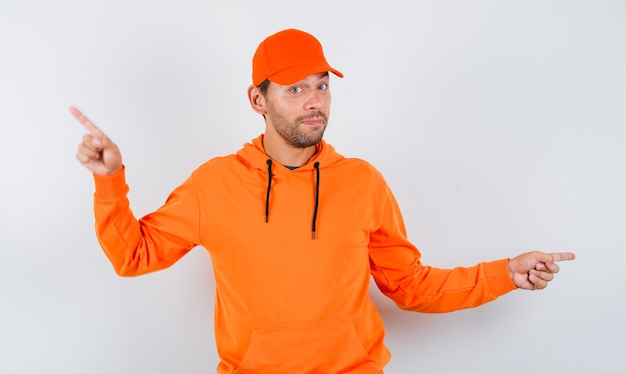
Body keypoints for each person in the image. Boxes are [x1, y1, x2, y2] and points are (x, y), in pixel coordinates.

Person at [71, 28, 575, 374]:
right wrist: (110, 180)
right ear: (257, 100)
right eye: (295, 89)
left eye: (322, 86)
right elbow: (132, 256)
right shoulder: (214, 184)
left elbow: (410, 286)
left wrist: (505, 272)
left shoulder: (361, 183)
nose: (314, 100)